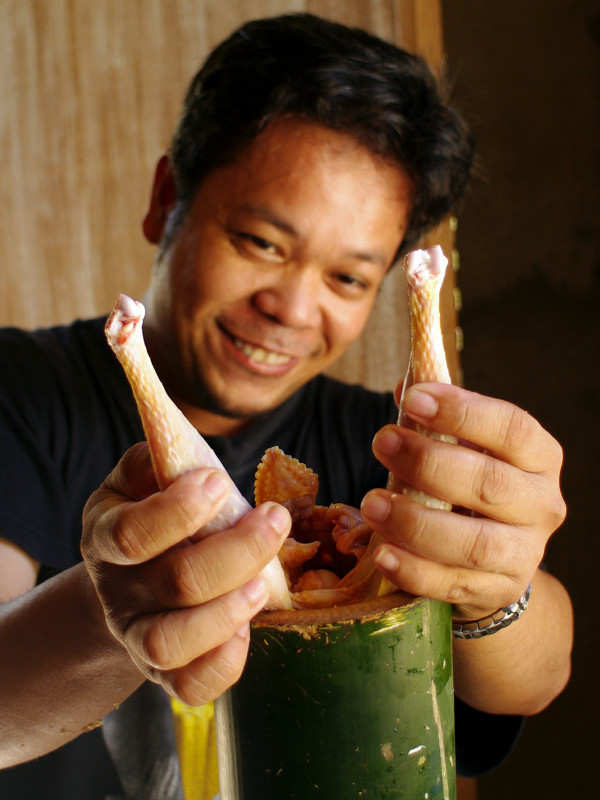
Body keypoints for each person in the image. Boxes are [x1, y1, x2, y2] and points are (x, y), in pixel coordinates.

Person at [0, 12, 572, 799]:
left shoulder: (383, 445)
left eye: (347, 279)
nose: (293, 309)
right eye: (262, 243)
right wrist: (110, 611)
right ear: (167, 199)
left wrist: (497, 583)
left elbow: (533, 680)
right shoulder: (21, 394)